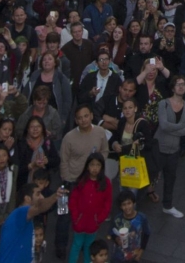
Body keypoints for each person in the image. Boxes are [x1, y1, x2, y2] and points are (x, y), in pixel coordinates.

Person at [56, 104, 108, 260]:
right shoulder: (69, 137)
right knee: (64, 216)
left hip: (91, 182)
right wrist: (66, 180)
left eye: (86, 116)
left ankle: (84, 249)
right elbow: (63, 160)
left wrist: (98, 165)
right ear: (76, 120)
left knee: (86, 213)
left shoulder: (100, 132)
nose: (83, 120)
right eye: (80, 117)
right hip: (71, 182)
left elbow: (105, 151)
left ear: (91, 116)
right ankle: (60, 246)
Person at [0, 183, 64, 263]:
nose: (42, 197)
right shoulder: (20, 213)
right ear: (27, 198)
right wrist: (55, 196)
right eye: (38, 194)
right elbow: (40, 207)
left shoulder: (24, 218)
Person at [153, 75, 185, 219]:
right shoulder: (164, 103)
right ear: (173, 87)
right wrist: (180, 126)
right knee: (151, 175)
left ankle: (167, 206)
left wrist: (173, 127)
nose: (181, 86)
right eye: (178, 84)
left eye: (183, 84)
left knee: (170, 179)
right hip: (159, 148)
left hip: (173, 150)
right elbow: (163, 125)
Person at [67, 153, 113, 263]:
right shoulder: (82, 181)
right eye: (92, 165)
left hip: (93, 223)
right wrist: (75, 216)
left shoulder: (106, 183)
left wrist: (99, 219)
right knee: (76, 245)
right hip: (79, 221)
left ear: (102, 167)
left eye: (98, 165)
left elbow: (107, 203)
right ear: (87, 166)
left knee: (89, 248)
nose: (95, 168)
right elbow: (73, 199)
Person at [108, 190, 149, 263]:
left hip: (134, 255)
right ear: (120, 206)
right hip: (118, 256)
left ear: (134, 203)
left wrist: (141, 251)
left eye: (129, 203)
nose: (127, 207)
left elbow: (146, 234)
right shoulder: (117, 219)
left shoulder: (142, 218)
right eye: (124, 204)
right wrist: (116, 239)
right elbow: (111, 232)